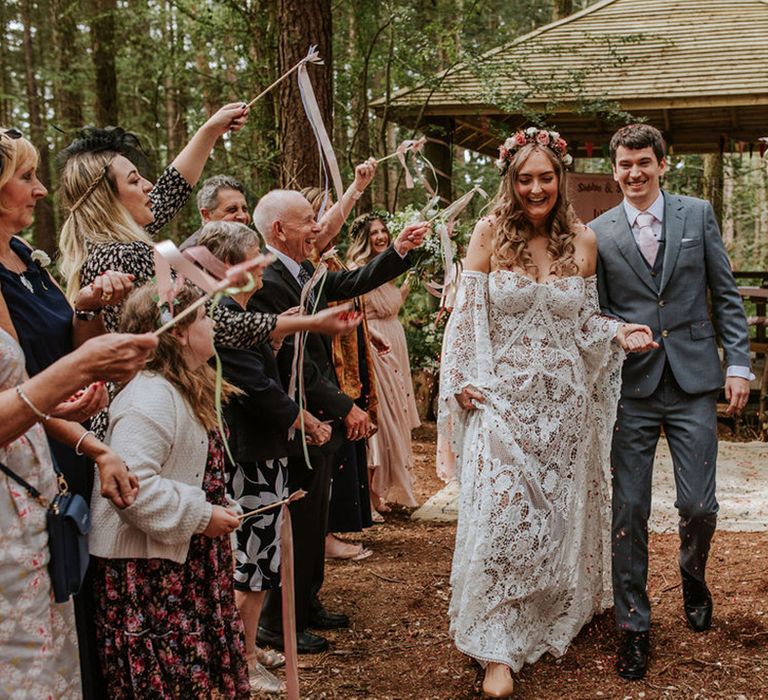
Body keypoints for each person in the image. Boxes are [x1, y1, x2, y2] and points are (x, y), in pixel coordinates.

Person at [438, 128, 655, 697]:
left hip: (562, 407)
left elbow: (584, 325)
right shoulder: (488, 234)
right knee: (501, 517)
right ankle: (495, 648)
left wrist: (620, 332)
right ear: (511, 181)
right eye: (525, 178)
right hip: (501, 401)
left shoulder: (583, 242)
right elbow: (466, 320)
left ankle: (540, 613)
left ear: (561, 179)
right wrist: (462, 380)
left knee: (551, 523)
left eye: (546, 177)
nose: (537, 188)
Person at [54, 119, 361, 425]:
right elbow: (212, 321)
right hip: (151, 413)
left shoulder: (127, 243)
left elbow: (170, 191)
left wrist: (210, 131)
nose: (148, 185)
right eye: (134, 181)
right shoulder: (120, 254)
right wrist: (308, 322)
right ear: (108, 201)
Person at [590, 123, 752, 681]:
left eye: (643, 163)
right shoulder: (598, 233)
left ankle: (692, 572)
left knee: (698, 506)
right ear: (614, 171)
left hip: (693, 383)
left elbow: (725, 293)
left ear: (662, 164)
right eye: (624, 165)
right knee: (629, 509)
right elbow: (596, 311)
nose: (634, 173)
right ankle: (634, 626)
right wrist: (618, 332)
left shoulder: (696, 215)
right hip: (631, 388)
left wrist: (737, 364)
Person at [0, 125, 149, 698]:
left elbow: (46, 368)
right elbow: (36, 384)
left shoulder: (23, 258)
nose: (40, 192)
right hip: (12, 493)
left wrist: (86, 309)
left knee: (61, 651)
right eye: (26, 177)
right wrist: (82, 368)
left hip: (49, 474)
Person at [248, 189, 427, 653]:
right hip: (293, 418)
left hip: (321, 411)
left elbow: (351, 284)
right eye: (307, 221)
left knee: (315, 516)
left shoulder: (303, 270)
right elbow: (294, 361)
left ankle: (307, 603)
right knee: (296, 520)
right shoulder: (266, 280)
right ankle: (277, 621)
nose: (316, 228)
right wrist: (345, 404)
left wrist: (400, 252)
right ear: (278, 230)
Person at [88, 282, 251, 698]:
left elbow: (192, 472)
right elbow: (132, 492)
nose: (214, 324)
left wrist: (217, 508)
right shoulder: (151, 398)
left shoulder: (181, 388)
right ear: (178, 331)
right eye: (205, 316)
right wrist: (202, 516)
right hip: (151, 577)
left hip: (180, 561)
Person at [197, 220, 332, 693]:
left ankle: (247, 645)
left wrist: (274, 341)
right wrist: (307, 421)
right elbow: (256, 391)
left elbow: (265, 373)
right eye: (257, 255)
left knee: (263, 557)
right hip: (248, 455)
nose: (266, 263)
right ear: (232, 267)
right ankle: (243, 658)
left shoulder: (246, 314)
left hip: (264, 452)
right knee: (251, 561)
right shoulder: (220, 319)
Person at [0, 328, 157, 699]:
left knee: (50, 670)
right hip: (5, 540)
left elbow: (17, 396)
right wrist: (79, 365)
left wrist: (58, 409)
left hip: (31, 529)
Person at [302, 166, 381, 558]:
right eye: (325, 213)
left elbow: (356, 289)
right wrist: (356, 187)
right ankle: (325, 537)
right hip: (323, 367)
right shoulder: (309, 262)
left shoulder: (326, 263)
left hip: (347, 358)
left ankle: (332, 533)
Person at [347, 212, 421, 514]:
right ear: (364, 238)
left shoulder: (387, 271)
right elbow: (357, 312)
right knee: (382, 419)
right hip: (374, 348)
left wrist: (406, 289)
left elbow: (388, 306)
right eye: (374, 232)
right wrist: (372, 335)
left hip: (394, 345)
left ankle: (379, 494)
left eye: (383, 231)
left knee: (397, 417)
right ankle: (370, 496)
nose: (380, 236)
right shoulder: (357, 270)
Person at [178, 174, 251, 251]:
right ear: (206, 215)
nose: (242, 216)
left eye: (244, 209)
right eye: (232, 210)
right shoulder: (192, 253)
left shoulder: (245, 245)